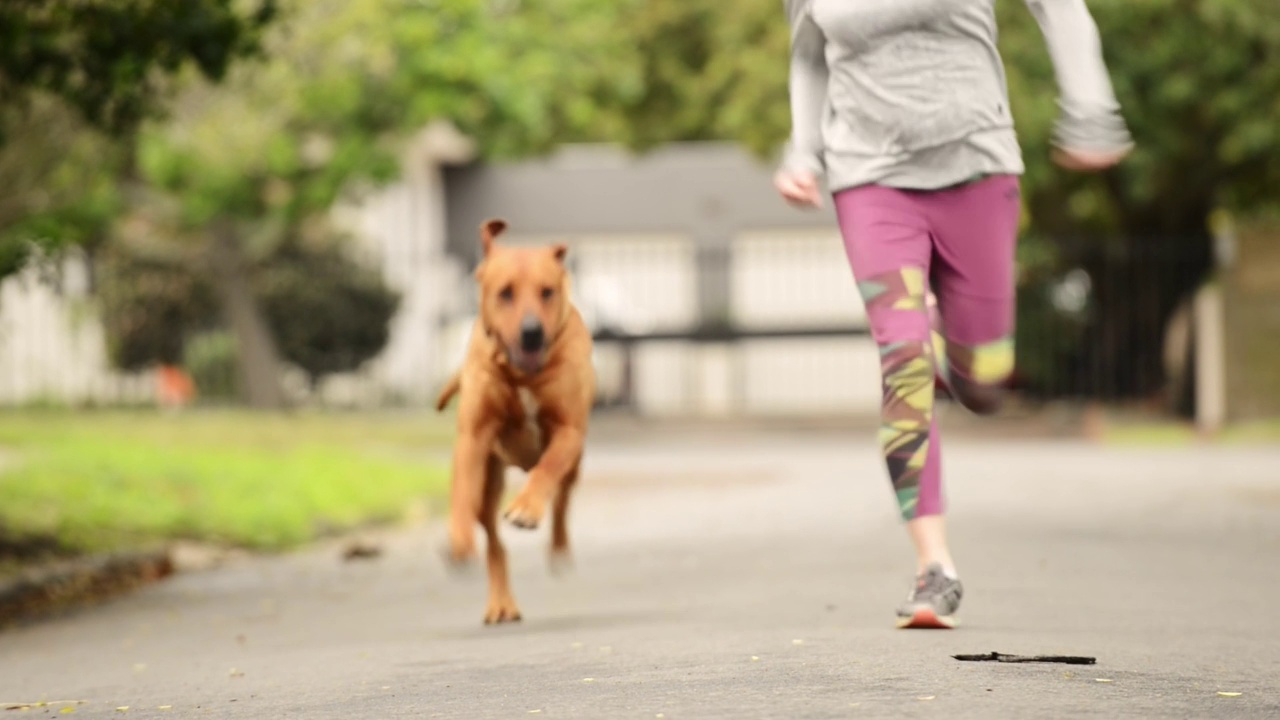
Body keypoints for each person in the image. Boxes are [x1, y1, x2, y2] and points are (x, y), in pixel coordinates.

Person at [774, 0, 1132, 629]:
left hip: (977, 169)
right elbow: (807, 52)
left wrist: (1091, 108)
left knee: (985, 386)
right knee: (903, 362)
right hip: (869, 177)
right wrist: (805, 151)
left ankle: (953, 355)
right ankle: (933, 568)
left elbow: (1061, 9)